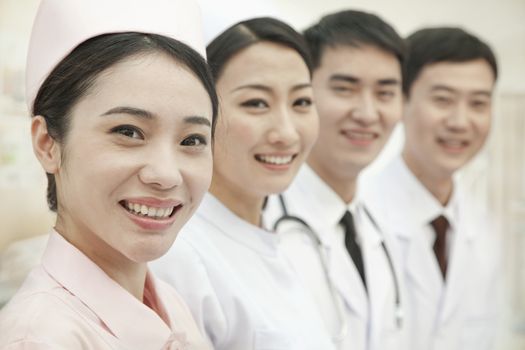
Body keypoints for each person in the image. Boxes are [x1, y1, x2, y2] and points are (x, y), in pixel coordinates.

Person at [0, 0, 218, 348]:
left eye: (192, 139)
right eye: (128, 132)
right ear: (47, 143)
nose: (166, 175)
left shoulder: (170, 305)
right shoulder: (40, 339)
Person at [152, 17, 335, 350]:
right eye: (256, 103)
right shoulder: (179, 256)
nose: (287, 133)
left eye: (302, 102)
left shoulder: (287, 238)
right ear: (202, 111)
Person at [264, 10, 407, 350]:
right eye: (345, 89)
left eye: (385, 93)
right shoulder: (264, 224)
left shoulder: (380, 227)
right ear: (302, 94)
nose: (367, 113)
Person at [361, 27, 501, 350]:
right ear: (401, 101)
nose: (460, 121)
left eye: (478, 103)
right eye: (443, 100)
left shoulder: (482, 228)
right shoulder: (361, 217)